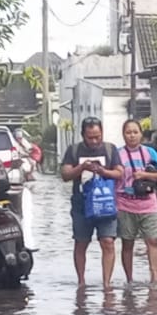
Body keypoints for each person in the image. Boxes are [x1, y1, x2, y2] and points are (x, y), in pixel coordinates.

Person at [60, 118, 124, 290]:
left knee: (108, 242)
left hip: (106, 203)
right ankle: (81, 282)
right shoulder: (73, 150)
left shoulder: (110, 149)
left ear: (102, 133)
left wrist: (104, 171)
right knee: (81, 242)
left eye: (97, 136)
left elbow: (120, 172)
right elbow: (65, 174)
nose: (95, 141)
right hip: (81, 204)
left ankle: (107, 284)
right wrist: (81, 168)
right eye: (90, 138)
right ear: (83, 135)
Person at [116, 119, 157, 286]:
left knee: (152, 240)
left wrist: (145, 176)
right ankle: (129, 279)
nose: (132, 136)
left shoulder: (150, 152)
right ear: (123, 135)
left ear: (141, 134)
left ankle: (155, 277)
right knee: (127, 242)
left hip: (148, 203)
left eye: (135, 132)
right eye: (128, 132)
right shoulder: (117, 154)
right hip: (124, 202)